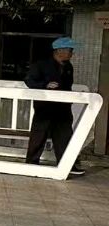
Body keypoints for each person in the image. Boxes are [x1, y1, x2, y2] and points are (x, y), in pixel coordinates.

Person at [24, 36, 84, 177]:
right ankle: (31, 164)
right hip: (45, 107)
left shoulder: (68, 67)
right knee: (39, 135)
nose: (71, 53)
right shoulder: (41, 65)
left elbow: (67, 86)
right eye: (70, 50)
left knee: (65, 136)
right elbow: (29, 81)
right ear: (59, 51)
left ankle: (68, 165)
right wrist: (45, 85)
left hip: (62, 108)